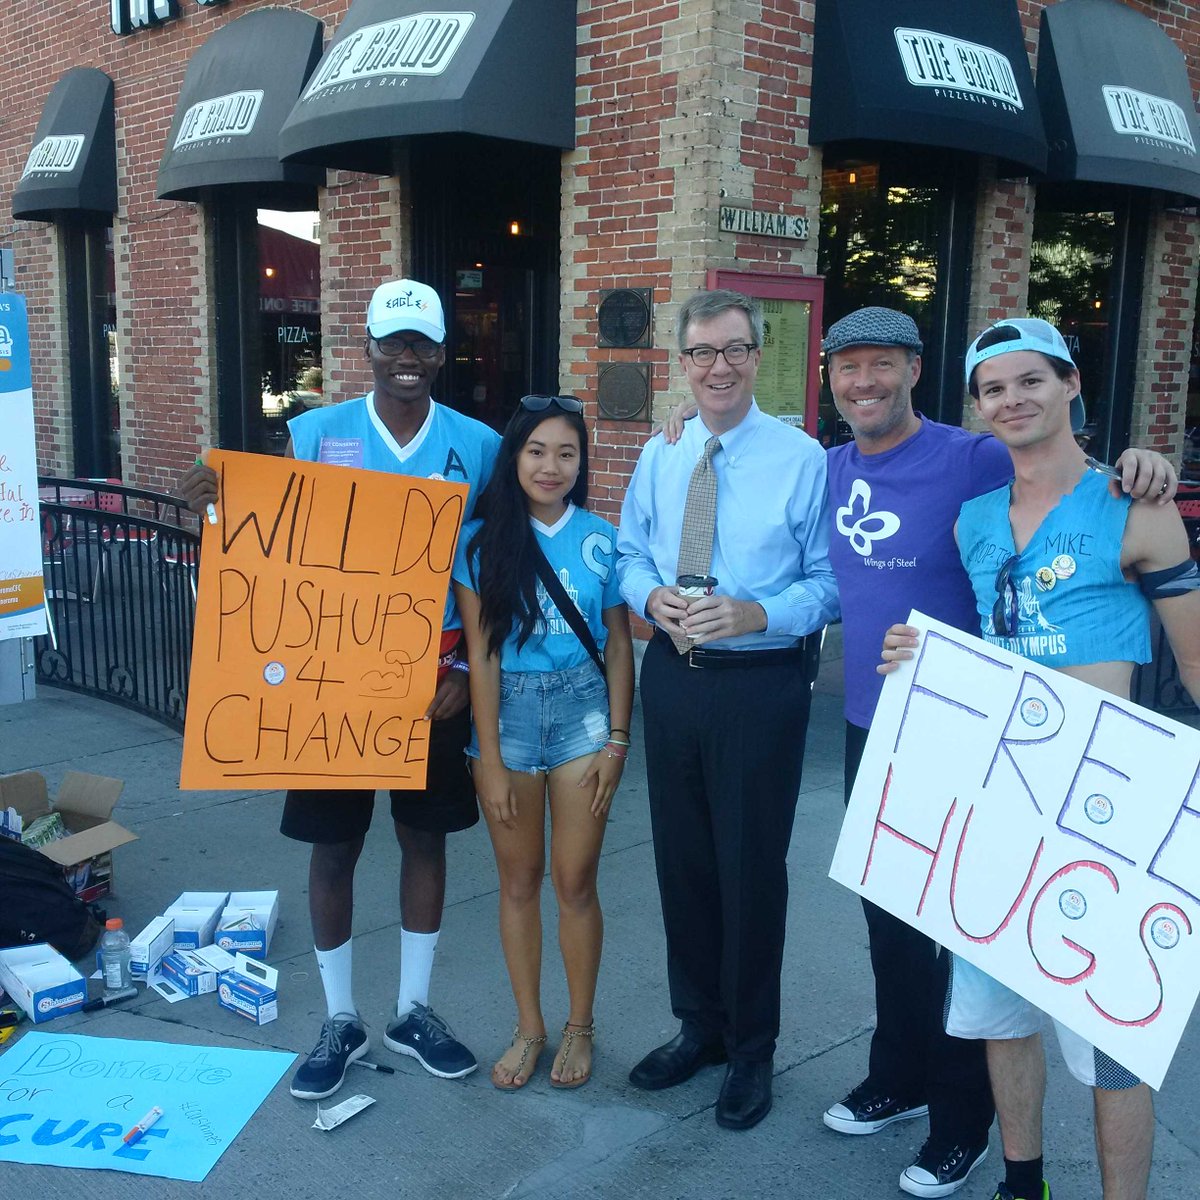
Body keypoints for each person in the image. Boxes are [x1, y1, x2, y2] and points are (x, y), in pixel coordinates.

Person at [662, 305, 1173, 1191]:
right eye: (847, 367)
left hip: (973, 728)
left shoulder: (969, 454)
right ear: (828, 379)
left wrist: (1141, 458)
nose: (864, 382)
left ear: (914, 371)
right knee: (893, 920)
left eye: (882, 365)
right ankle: (897, 1078)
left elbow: (1054, 457)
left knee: (968, 936)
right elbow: (796, 543)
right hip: (875, 725)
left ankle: (961, 1120)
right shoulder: (824, 469)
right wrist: (686, 428)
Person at [882, 316, 1200, 1200]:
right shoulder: (975, 519)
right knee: (999, 1013)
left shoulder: (1136, 505)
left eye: (1030, 380)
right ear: (979, 408)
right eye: (993, 388)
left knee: (1113, 1038)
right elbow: (977, 643)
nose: (1012, 399)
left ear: (1069, 387)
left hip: (1107, 812)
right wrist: (921, 657)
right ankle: (1024, 1182)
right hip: (1001, 801)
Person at [180, 279, 501, 1100]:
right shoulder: (317, 432)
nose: (406, 357)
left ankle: (413, 1008)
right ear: (365, 346)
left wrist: (466, 670)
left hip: (431, 683)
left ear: (440, 354)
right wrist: (216, 509)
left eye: (421, 344)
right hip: (330, 684)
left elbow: (495, 570)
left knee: (425, 841)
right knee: (335, 846)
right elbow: (272, 544)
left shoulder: (481, 444)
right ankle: (340, 1018)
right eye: (391, 342)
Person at [617, 288, 839, 1131]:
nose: (718, 366)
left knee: (750, 874)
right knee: (683, 864)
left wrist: (757, 613)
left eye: (735, 350)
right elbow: (632, 550)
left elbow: (829, 584)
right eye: (703, 352)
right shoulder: (662, 452)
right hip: (674, 675)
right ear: (683, 362)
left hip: (759, 687)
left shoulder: (802, 457)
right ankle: (698, 1028)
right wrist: (650, 598)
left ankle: (752, 1050)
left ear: (758, 355)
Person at [452, 395, 634, 1091]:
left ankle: (580, 1026)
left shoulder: (600, 538)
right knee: (520, 882)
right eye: (536, 451)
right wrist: (491, 759)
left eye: (566, 452)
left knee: (575, 881)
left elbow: (618, 645)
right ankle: (530, 1027)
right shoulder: (480, 541)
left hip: (585, 719)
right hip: (511, 722)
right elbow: (483, 653)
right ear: (514, 458)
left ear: (582, 462)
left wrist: (618, 742)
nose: (551, 466)